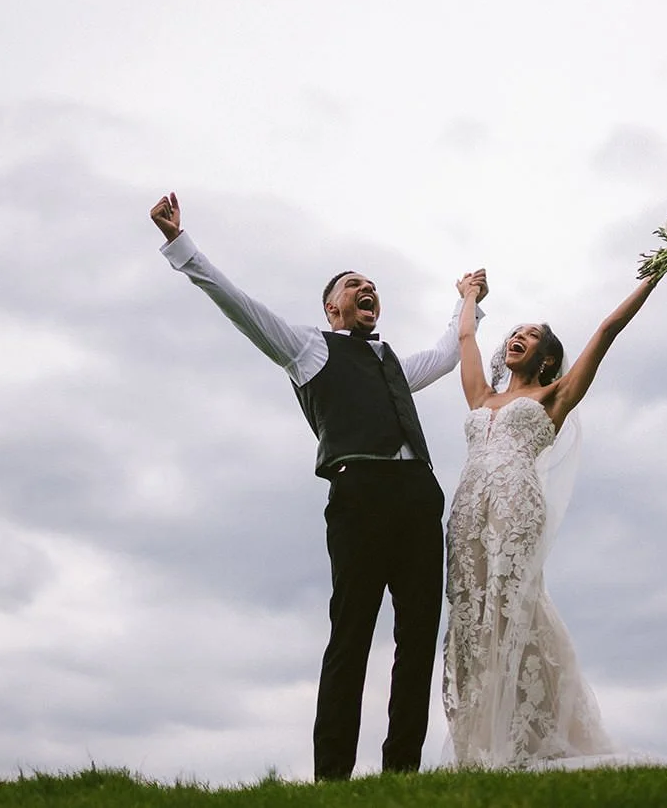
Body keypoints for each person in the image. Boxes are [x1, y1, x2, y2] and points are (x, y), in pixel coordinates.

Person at [149, 191, 487, 781]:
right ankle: (332, 777)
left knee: (418, 640)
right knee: (351, 636)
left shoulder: (394, 365)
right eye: (354, 285)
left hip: (416, 498)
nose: (367, 290)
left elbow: (442, 352)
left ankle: (401, 775)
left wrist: (468, 303)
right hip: (358, 497)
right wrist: (182, 243)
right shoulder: (308, 349)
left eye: (371, 285)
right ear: (331, 308)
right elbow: (237, 303)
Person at [441, 262, 667, 767]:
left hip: (516, 506)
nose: (517, 337)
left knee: (511, 605)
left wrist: (662, 267)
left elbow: (608, 329)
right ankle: (477, 743)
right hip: (465, 513)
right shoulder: (482, 395)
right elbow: (465, 338)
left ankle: (526, 737)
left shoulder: (554, 396)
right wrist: (469, 293)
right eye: (515, 332)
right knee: (469, 612)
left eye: (530, 335)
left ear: (547, 360)